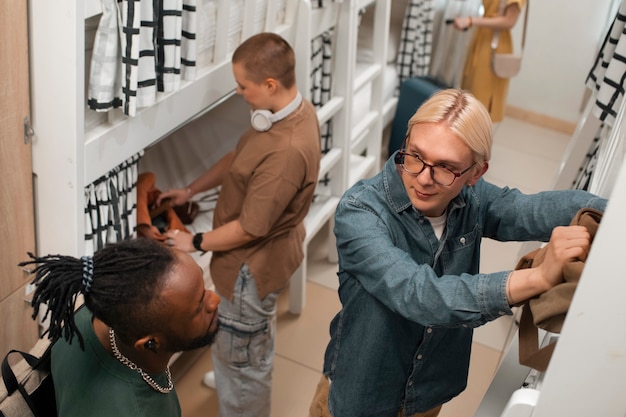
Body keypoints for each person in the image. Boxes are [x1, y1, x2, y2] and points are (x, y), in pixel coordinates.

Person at [309, 89, 607, 417]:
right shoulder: (361, 211)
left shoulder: (473, 199)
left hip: (427, 391)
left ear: (476, 174)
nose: (423, 177)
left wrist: (615, 214)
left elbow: (526, 210)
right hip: (362, 393)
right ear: (406, 141)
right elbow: (417, 294)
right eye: (415, 156)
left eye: (446, 168)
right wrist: (536, 277)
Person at [158, 32, 321, 417]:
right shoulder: (289, 113)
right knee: (251, 340)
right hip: (262, 262)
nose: (237, 93)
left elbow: (251, 228)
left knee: (244, 359)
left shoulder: (286, 150)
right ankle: (238, 364)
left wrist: (192, 241)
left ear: (269, 85)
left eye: (242, 86)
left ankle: (240, 379)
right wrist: (190, 189)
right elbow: (239, 156)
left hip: (250, 269)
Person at [19, 237, 221, 417]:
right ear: (150, 343)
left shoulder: (90, 316)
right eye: (199, 307)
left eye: (203, 288)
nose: (215, 300)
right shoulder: (139, 410)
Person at [452, 0, 526, 123]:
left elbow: (509, 21)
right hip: (482, 40)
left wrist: (471, 21)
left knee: (482, 101)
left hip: (494, 45)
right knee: (469, 97)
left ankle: (477, 138)